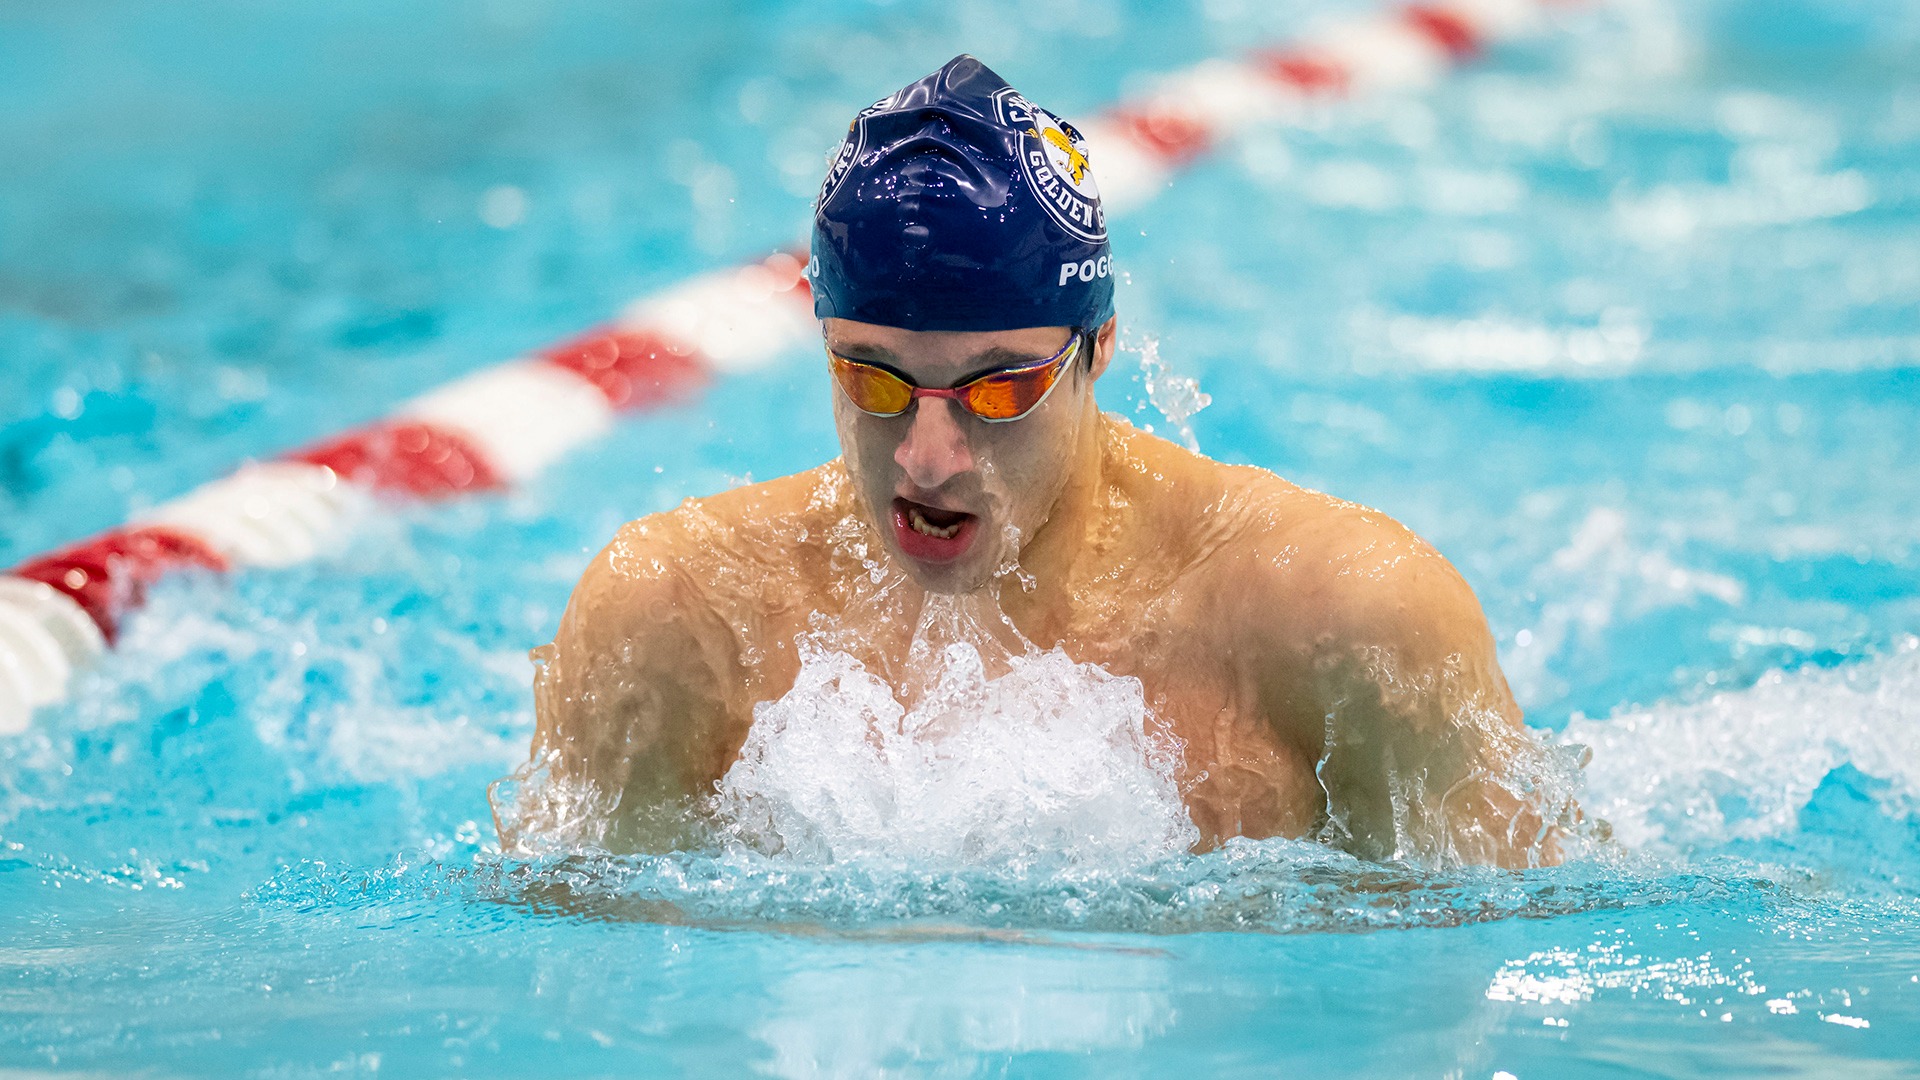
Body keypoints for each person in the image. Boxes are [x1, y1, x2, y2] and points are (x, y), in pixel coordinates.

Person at [494, 56, 1576, 867]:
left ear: (1098, 349)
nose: (929, 455)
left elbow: (1492, 970)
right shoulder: (679, 621)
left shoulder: (1345, 621)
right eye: (871, 380)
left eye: (1000, 389)